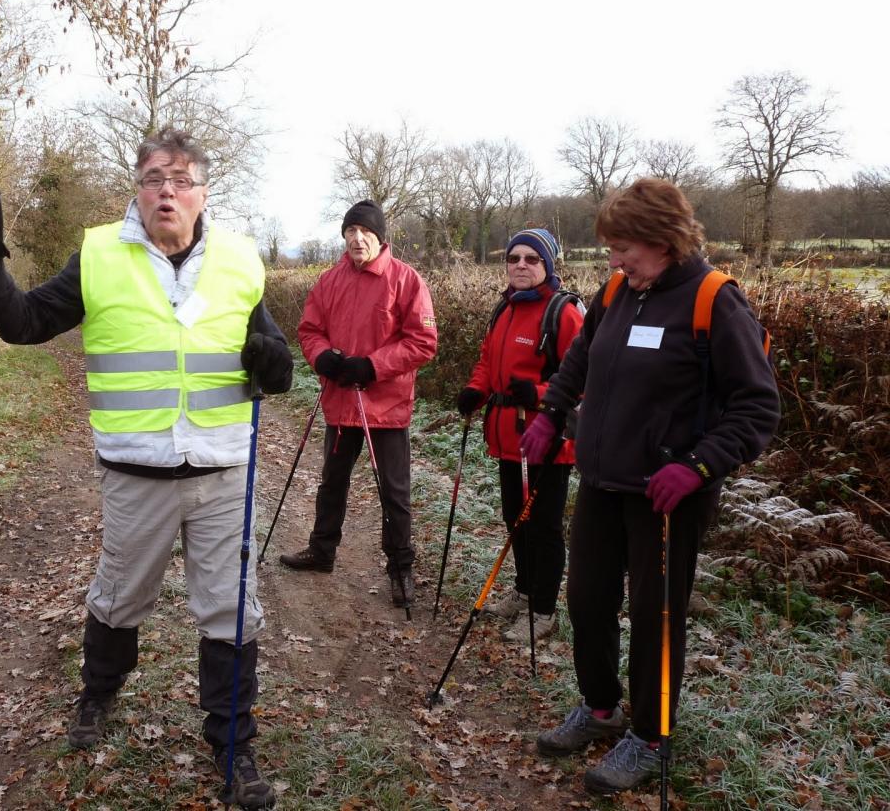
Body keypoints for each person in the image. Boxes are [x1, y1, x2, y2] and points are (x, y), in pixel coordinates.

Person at [0, 128, 292, 809]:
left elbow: (269, 346)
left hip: (223, 472)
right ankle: (98, 694)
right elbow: (22, 324)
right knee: (119, 597)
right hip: (136, 472)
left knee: (231, 609)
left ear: (202, 193)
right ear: (137, 190)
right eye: (154, 177)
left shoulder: (240, 260)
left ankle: (233, 743)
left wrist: (276, 364)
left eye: (182, 178)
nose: (168, 189)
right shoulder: (100, 255)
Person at [521, 178, 778, 795]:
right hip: (605, 478)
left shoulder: (714, 300)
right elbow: (582, 357)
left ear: (663, 241)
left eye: (622, 248)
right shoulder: (617, 291)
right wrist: (552, 412)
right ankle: (601, 707)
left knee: (655, 615)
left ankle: (652, 734)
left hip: (669, 494)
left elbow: (757, 406)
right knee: (585, 597)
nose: (613, 260)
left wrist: (697, 465)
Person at [279, 199, 438, 609]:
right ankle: (322, 550)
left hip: (385, 406)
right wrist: (322, 358)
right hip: (340, 403)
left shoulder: (406, 280)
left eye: (364, 231)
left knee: (394, 492)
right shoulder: (330, 280)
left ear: (380, 237)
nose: (356, 238)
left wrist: (372, 366)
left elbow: (423, 342)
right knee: (332, 481)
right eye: (350, 231)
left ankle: (401, 568)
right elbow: (309, 330)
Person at [456, 228, 583, 642]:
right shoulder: (505, 308)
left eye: (532, 259)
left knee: (543, 526)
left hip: (546, 441)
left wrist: (542, 394)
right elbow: (487, 359)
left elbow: (587, 378)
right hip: (507, 438)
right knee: (516, 519)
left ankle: (544, 610)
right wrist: (476, 390)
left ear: (548, 265)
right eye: (514, 259)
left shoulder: (563, 313)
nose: (522, 266)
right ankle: (525, 592)